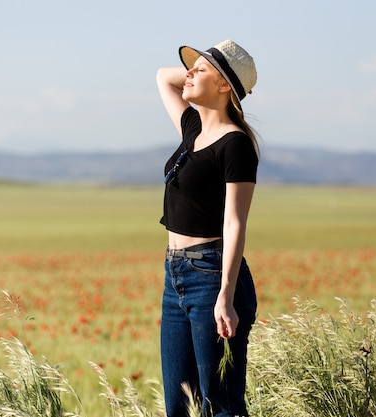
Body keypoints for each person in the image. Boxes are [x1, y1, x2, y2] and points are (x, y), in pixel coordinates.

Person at [156, 39, 259, 417]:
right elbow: (161, 77)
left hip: (212, 276)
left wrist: (226, 297)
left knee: (222, 406)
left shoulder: (236, 145)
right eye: (191, 68)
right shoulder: (193, 127)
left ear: (223, 86)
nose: (188, 75)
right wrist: (200, 69)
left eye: (200, 70)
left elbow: (234, 223)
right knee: (179, 406)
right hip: (176, 274)